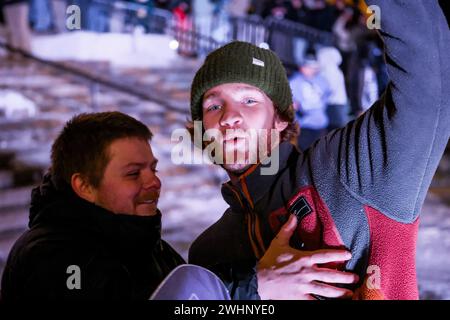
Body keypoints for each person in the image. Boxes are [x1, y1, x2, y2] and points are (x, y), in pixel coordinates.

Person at [187, 0, 450, 300]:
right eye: (213, 105)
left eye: (249, 101)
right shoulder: (207, 254)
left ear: (281, 120)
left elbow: (431, 86)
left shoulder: (344, 170)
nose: (229, 116)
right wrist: (257, 289)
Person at [0, 112, 185, 300]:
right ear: (84, 186)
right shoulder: (55, 258)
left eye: (153, 169)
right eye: (133, 174)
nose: (154, 182)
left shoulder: (149, 246)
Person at [289, 53, 331, 150]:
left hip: (321, 124)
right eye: (306, 66)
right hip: (305, 125)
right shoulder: (294, 82)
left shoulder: (322, 81)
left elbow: (326, 97)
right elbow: (289, 103)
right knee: (305, 153)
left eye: (312, 67)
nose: (309, 69)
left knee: (320, 153)